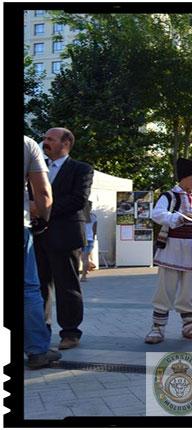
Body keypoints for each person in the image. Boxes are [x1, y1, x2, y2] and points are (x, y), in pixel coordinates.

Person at [34, 127, 94, 351]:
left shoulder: (81, 169)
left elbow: (78, 200)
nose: (45, 141)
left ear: (65, 144)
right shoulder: (35, 167)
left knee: (67, 286)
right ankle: (39, 333)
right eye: (45, 138)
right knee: (37, 287)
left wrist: (41, 209)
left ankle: (70, 333)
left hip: (65, 236)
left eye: (50, 138)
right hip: (36, 236)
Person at [144, 157, 192, 344]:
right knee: (166, 288)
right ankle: (157, 328)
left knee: (190, 290)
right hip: (172, 247)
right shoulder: (169, 196)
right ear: (183, 177)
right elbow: (157, 214)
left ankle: (189, 327)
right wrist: (178, 218)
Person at [24, 136, 62, 369]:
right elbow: (43, 192)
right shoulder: (27, 144)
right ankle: (37, 351)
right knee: (27, 288)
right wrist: (43, 221)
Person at [80, 200, 97, 282]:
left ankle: (78, 275)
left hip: (80, 238)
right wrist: (93, 238)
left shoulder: (80, 216)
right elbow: (95, 230)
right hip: (89, 239)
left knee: (78, 258)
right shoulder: (93, 217)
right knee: (85, 259)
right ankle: (84, 276)